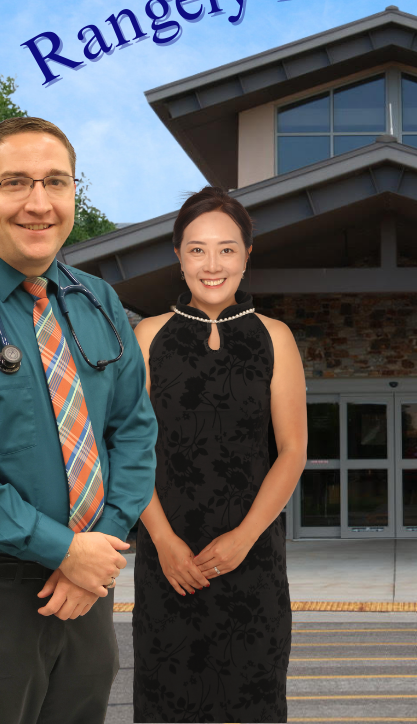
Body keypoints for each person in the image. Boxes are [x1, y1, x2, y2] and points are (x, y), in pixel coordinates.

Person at [0, 117, 158, 723]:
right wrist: (63, 551)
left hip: (89, 593)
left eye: (56, 182)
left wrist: (98, 550)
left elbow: (134, 430)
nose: (38, 203)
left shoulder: (99, 302)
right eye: (16, 182)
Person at [131, 187, 307, 723]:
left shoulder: (275, 338)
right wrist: (162, 542)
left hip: (252, 563)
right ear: (179, 256)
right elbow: (129, 449)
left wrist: (244, 538)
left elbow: (293, 450)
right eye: (198, 249)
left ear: (247, 255)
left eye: (227, 249)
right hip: (168, 563)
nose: (213, 264)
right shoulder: (148, 336)